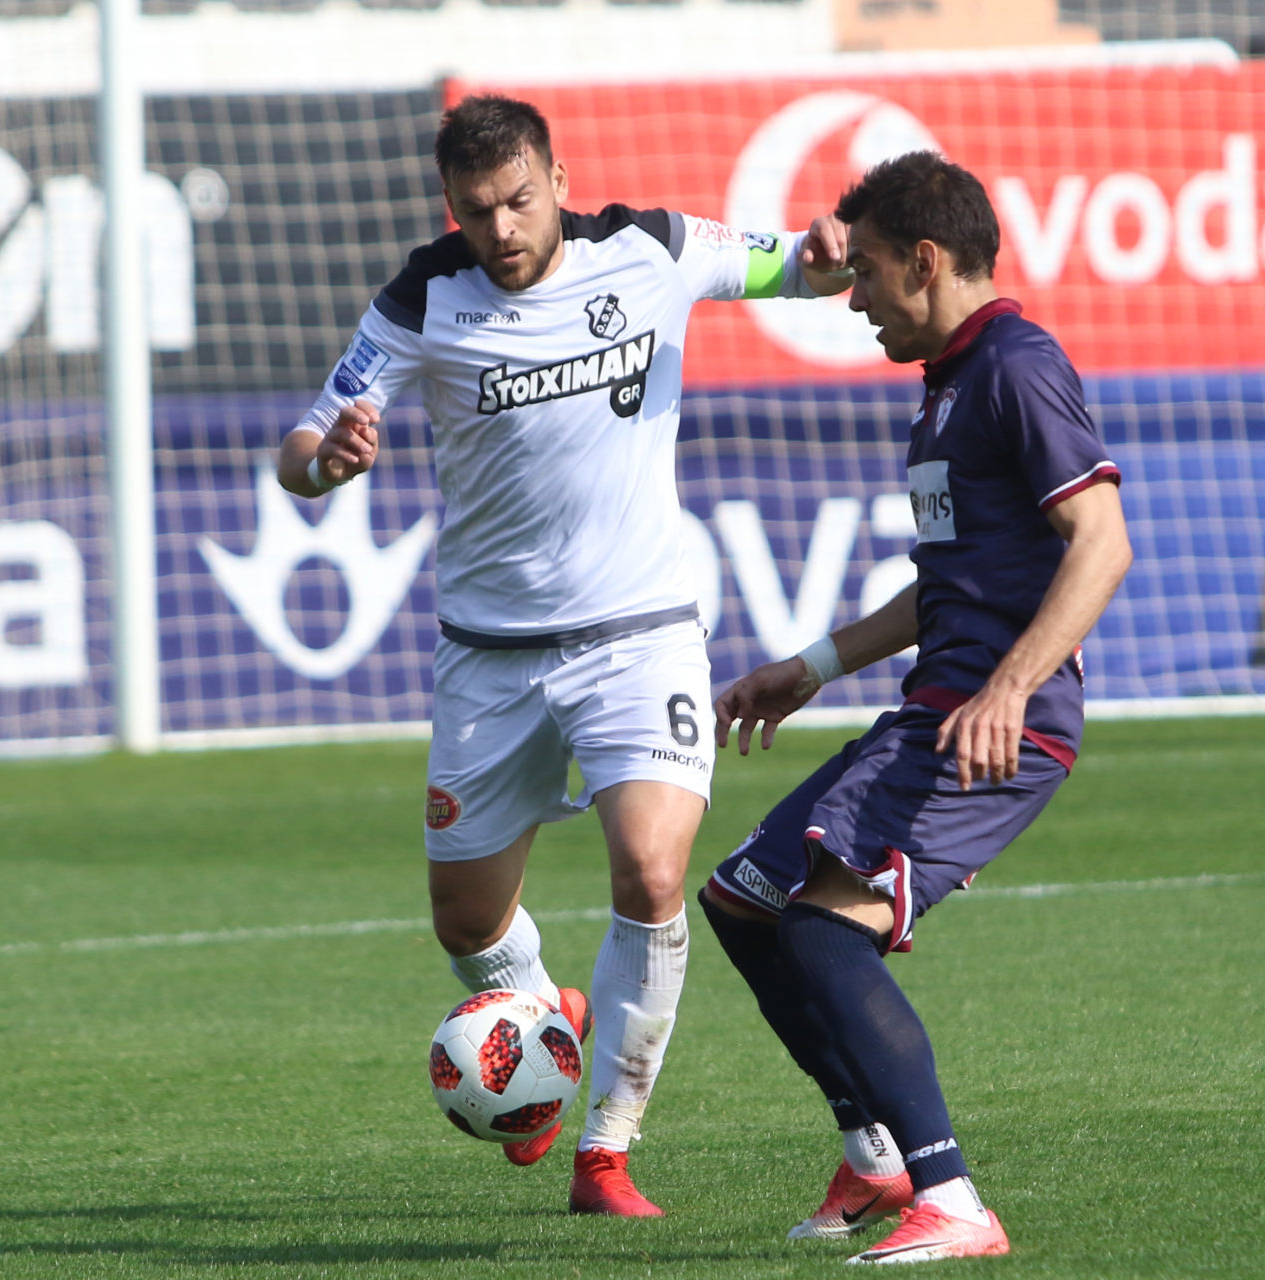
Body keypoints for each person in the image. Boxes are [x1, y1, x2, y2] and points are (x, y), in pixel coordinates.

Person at [278, 94, 849, 1216]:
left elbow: (798, 267)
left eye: (519, 200)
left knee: (651, 873)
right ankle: (546, 1021)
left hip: (639, 636)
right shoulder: (424, 296)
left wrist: (827, 252)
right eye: (476, 209)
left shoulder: (652, 249)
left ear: (557, 180)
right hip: (489, 656)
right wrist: (325, 461)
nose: (501, 228)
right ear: (451, 207)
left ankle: (607, 1150)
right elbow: (304, 441)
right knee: (466, 922)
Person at [698, 151, 1131, 1264]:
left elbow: (1103, 542)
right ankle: (877, 1152)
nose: (856, 301)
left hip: (998, 725)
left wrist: (1008, 686)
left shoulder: (1017, 367)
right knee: (744, 900)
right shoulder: (949, 384)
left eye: (870, 273)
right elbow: (946, 583)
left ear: (926, 261)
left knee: (821, 927)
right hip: (932, 709)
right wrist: (812, 664)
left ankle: (952, 1197)